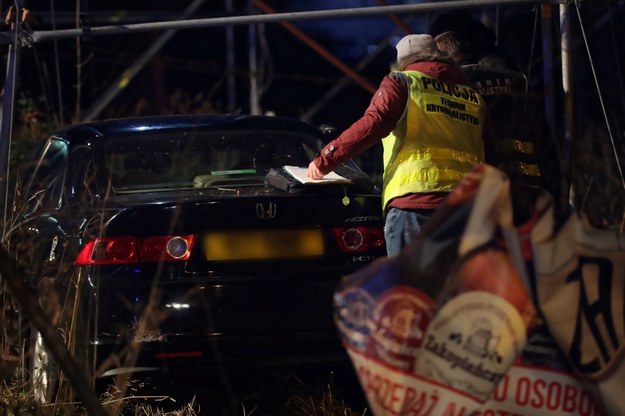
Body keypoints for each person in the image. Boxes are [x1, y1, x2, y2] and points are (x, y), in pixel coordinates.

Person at [307, 34, 488, 256]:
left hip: (416, 204)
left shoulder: (403, 81)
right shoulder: (471, 96)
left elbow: (373, 123)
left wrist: (327, 158)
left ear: (403, 61)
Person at [433, 16, 563, 225]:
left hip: (484, 188)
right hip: (528, 184)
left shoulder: (453, 88)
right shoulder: (516, 79)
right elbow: (542, 133)